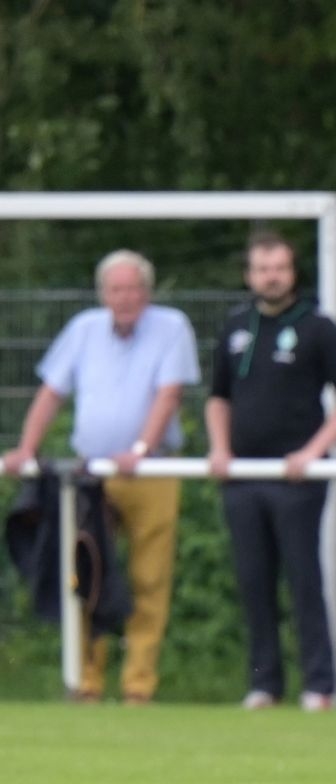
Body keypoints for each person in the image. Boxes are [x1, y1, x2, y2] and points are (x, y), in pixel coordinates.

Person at [3, 250, 199, 703]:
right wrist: (27, 447)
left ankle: (138, 685)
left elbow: (169, 395)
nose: (124, 298)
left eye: (132, 289)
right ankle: (86, 681)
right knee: (86, 575)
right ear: (102, 294)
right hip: (91, 476)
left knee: (150, 578)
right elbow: (51, 392)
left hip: (151, 470)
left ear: (146, 292)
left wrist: (139, 450)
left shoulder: (171, 327)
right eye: (116, 289)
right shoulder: (84, 329)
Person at [206, 232, 336, 711]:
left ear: (293, 272)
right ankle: (265, 685)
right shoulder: (236, 326)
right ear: (249, 275)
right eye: (262, 269)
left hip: (297, 480)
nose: (271, 277)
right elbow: (217, 397)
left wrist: (312, 453)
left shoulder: (318, 327)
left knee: (304, 579)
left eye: (279, 267)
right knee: (253, 582)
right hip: (241, 477)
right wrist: (219, 449)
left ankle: (319, 685)